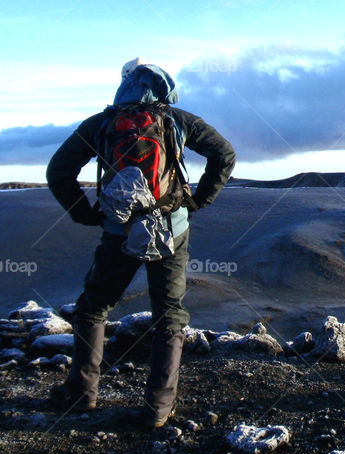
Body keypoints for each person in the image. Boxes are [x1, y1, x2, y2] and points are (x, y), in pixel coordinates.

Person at [45, 58, 236, 429]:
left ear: (124, 84)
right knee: (169, 314)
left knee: (94, 306)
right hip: (171, 227)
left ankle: (81, 393)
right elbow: (224, 154)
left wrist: (84, 212)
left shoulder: (102, 122)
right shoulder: (177, 120)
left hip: (119, 230)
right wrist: (198, 200)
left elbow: (59, 170)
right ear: (164, 87)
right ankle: (158, 409)